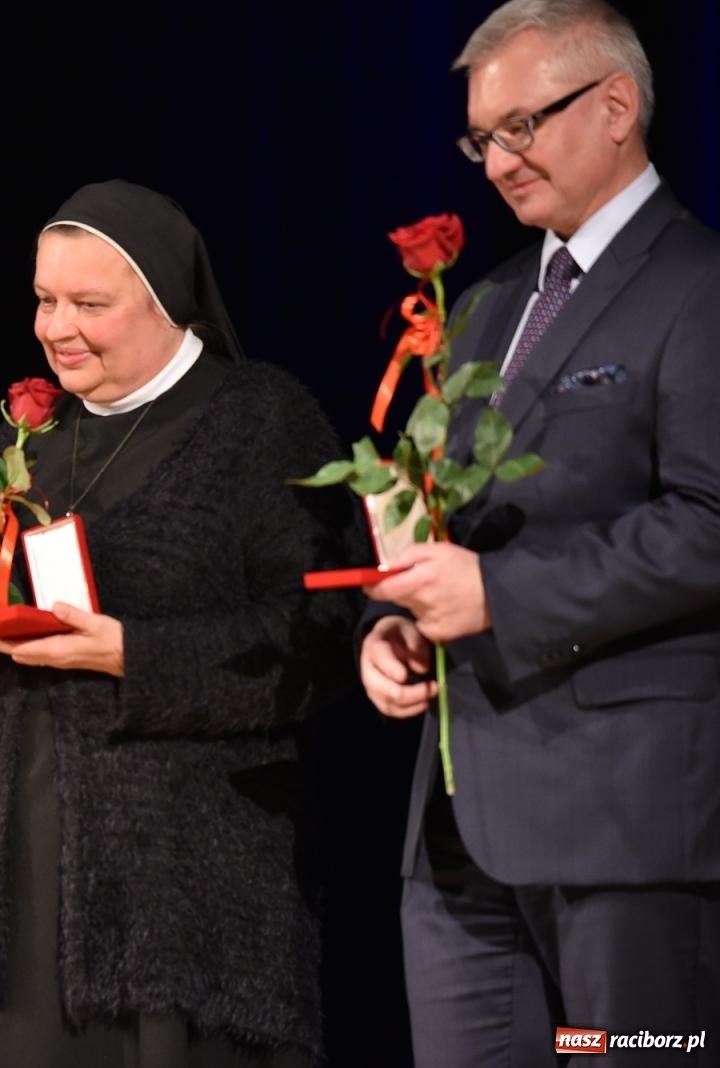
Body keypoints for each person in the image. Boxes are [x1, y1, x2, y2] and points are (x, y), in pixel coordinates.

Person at [0, 179, 360, 1066]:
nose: (55, 325)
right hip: (7, 914)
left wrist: (131, 655)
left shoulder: (260, 421)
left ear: (167, 303)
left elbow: (323, 636)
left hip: (185, 914)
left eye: (89, 304)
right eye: (43, 298)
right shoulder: (22, 443)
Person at [358, 3, 720, 1064]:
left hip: (625, 828)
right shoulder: (481, 308)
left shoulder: (699, 289)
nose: (496, 163)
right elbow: (444, 520)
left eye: (520, 126)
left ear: (615, 107)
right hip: (459, 834)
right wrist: (394, 623)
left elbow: (708, 523)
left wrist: (498, 599)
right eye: (481, 138)